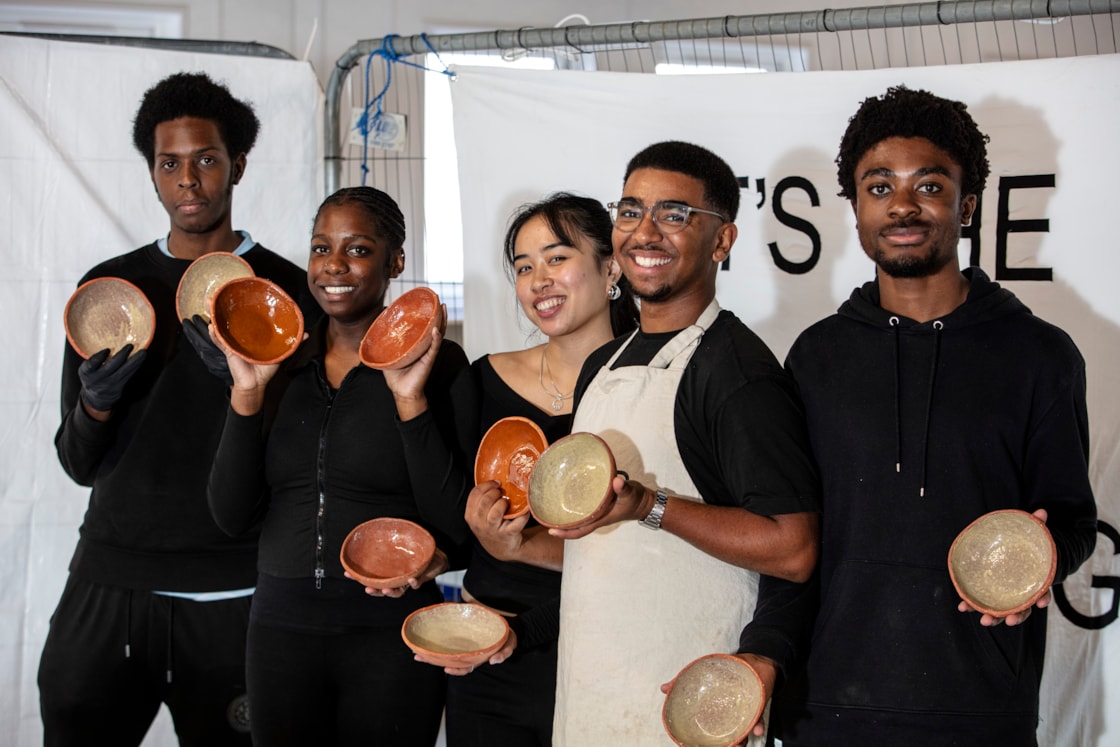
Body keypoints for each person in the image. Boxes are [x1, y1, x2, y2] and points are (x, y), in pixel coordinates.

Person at [738, 85, 1098, 745]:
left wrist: (1044, 553)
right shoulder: (817, 357)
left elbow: (1072, 519)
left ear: (966, 203)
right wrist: (764, 654)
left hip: (981, 712)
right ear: (854, 209)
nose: (902, 204)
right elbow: (795, 544)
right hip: (828, 710)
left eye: (928, 185)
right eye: (879, 187)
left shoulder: (1040, 355)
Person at [41, 71, 315, 746]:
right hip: (111, 580)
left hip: (235, 589)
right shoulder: (108, 291)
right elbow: (77, 462)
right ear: (153, 173)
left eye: (205, 160)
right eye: (170, 163)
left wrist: (248, 389)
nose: (187, 179)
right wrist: (95, 405)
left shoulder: (287, 293)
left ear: (237, 165)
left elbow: (306, 461)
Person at [548, 141, 822, 745]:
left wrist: (650, 505)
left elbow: (793, 547)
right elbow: (600, 551)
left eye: (674, 215)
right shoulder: (603, 363)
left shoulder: (737, 374)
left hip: (690, 699)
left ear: (722, 241)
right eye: (629, 211)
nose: (645, 232)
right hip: (591, 691)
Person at [206, 185, 477, 746]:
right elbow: (230, 515)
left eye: (356, 249)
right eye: (320, 247)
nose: (333, 265)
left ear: (394, 261)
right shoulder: (277, 361)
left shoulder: (440, 362)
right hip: (281, 630)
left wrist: (410, 403)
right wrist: (246, 395)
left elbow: (457, 526)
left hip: (392, 631)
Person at [438, 193, 638, 746]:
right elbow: (448, 525)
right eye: (524, 267)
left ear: (611, 266)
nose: (538, 280)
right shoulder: (483, 380)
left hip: (609, 653)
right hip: (489, 656)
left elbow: (649, 548)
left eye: (556, 258)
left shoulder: (649, 388)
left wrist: (520, 546)